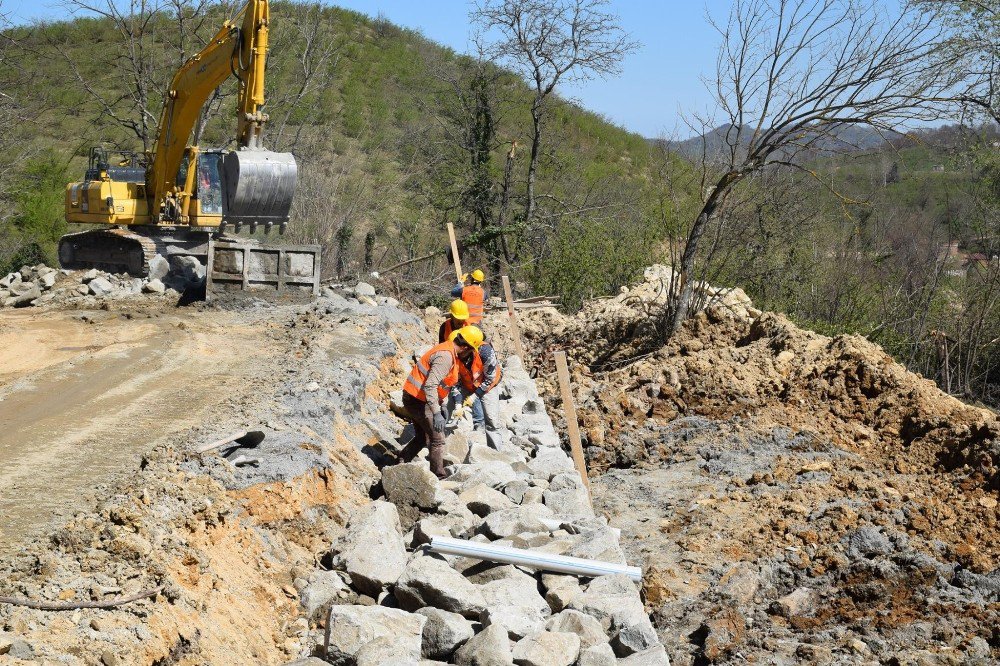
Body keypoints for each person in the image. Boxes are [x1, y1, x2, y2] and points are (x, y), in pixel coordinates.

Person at [399, 326, 484, 478]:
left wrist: (442, 404)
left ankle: (400, 464)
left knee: (422, 438)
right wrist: (436, 412)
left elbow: (440, 384)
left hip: (416, 397)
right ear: (465, 347)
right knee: (438, 439)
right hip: (417, 400)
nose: (470, 354)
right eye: (471, 350)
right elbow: (430, 385)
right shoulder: (446, 357)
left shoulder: (449, 351)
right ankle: (438, 476)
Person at [450, 328, 503, 450]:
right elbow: (454, 382)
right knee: (448, 406)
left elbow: (490, 378)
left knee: (492, 420)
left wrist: (475, 395)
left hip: (488, 385)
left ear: (468, 347)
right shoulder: (453, 354)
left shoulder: (485, 352)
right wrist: (458, 403)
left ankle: (496, 453)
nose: (458, 349)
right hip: (467, 384)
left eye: (462, 347)